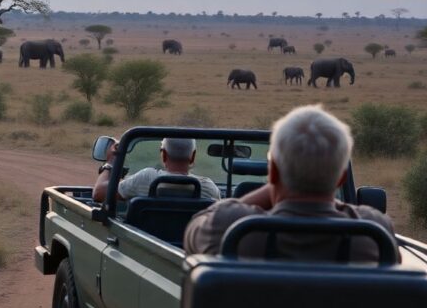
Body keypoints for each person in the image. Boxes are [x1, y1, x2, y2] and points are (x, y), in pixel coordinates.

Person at [183, 105, 399, 263]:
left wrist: (275, 184)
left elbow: (192, 233)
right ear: (341, 177)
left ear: (273, 172)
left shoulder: (231, 227)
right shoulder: (374, 231)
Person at [93, 137, 221, 202]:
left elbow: (99, 193)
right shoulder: (208, 187)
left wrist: (110, 162)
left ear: (163, 155)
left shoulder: (146, 178)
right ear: (192, 157)